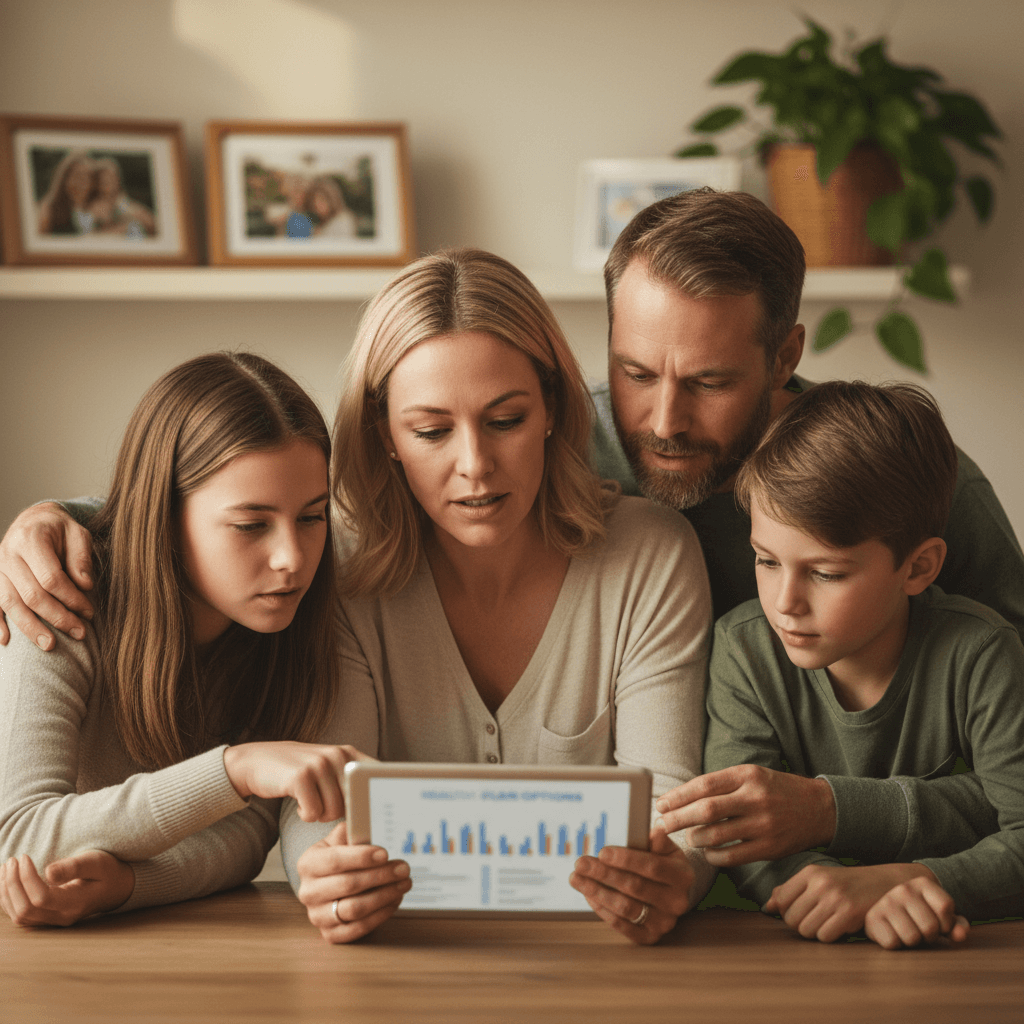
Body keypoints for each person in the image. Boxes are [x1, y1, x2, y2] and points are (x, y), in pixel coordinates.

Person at [284, 248, 713, 944]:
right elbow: (321, 808)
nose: (476, 466)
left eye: (506, 420)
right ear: (384, 435)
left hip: (604, 969)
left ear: (552, 408)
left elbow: (672, 811)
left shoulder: (649, 556)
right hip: (398, 967)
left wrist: (676, 877)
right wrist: (324, 873)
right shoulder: (339, 565)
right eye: (430, 431)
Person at [0, 352, 360, 928]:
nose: (293, 559)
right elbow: (19, 840)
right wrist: (235, 769)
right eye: (251, 525)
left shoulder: (294, 625)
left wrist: (130, 883)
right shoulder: (57, 598)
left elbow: (245, 832)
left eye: (313, 517)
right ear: (163, 516)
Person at [658, 382, 1024, 948]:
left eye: (826, 573)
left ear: (919, 567)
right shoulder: (744, 649)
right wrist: (821, 892)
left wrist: (911, 882)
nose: (785, 602)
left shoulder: (983, 656)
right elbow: (735, 838)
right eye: (766, 560)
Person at [87, 157, 156, 238]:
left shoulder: (126, 203)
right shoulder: (93, 207)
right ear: (96, 183)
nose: (107, 181)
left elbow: (152, 223)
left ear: (118, 179)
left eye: (111, 177)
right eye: (102, 179)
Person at [36, 150, 97, 235]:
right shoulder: (49, 210)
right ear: (64, 179)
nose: (82, 183)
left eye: (88, 177)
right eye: (77, 176)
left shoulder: (95, 209)